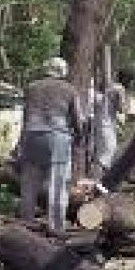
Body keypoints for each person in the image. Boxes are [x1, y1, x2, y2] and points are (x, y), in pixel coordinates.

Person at [18, 57, 83, 232]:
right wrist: (79, 137)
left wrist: (21, 143)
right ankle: (56, 227)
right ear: (63, 71)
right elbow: (77, 120)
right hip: (57, 139)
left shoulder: (31, 88)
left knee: (29, 184)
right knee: (58, 185)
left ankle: (27, 223)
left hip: (32, 137)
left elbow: (25, 118)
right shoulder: (69, 90)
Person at [91, 77, 126, 176]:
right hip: (106, 124)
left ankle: (99, 178)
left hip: (102, 123)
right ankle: (98, 179)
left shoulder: (111, 88)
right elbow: (121, 109)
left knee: (103, 151)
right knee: (108, 151)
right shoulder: (119, 88)